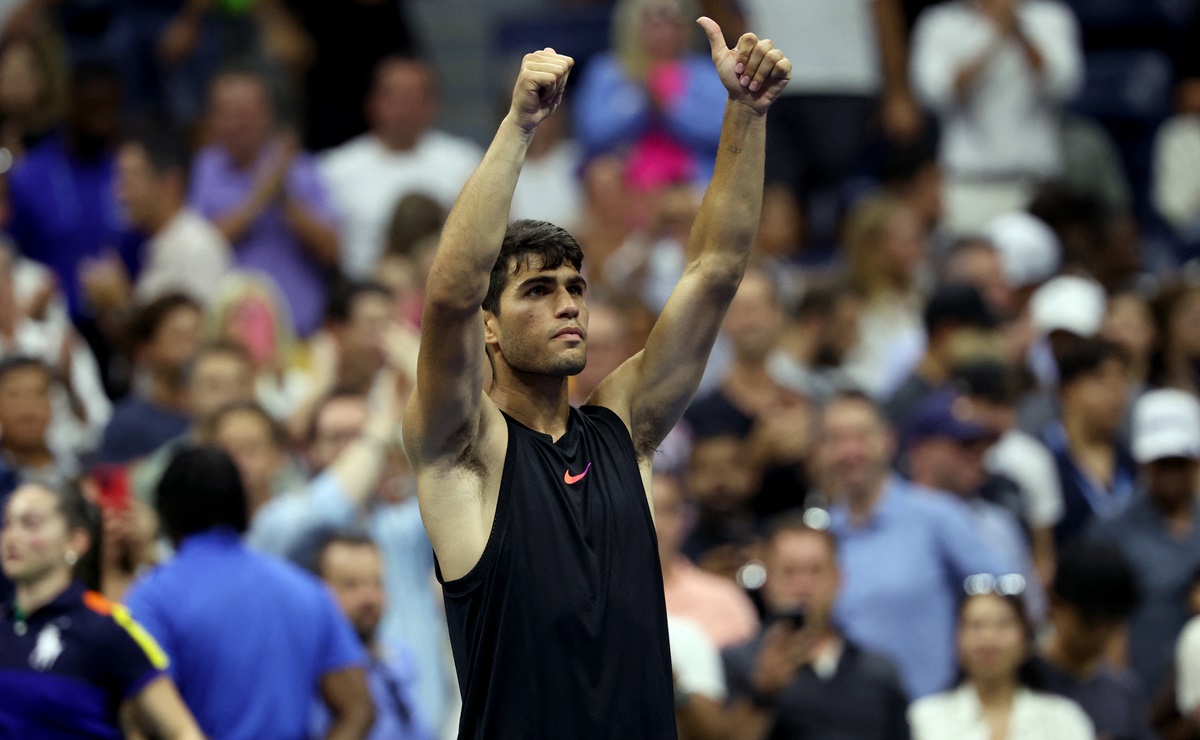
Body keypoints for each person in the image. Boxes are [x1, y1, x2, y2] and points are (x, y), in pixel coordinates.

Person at [402, 23, 791, 738]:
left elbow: (713, 274)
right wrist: (520, 125)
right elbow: (453, 290)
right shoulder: (465, 452)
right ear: (490, 327)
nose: (567, 304)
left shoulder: (625, 429)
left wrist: (747, 113)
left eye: (575, 288)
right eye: (537, 290)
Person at [124, 446, 374, 739]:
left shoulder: (152, 598)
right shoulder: (304, 589)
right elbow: (358, 710)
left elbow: (139, 718)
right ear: (243, 506)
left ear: (165, 513)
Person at [819, 391, 1013, 698]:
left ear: (888, 440)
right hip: (852, 719)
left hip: (931, 714)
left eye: (861, 436)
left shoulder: (937, 516)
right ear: (821, 451)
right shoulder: (824, 535)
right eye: (835, 439)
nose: (849, 451)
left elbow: (1005, 592)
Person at [0, 481, 203, 739]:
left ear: (76, 541)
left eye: (31, 523)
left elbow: (181, 729)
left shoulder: (105, 628)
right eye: (7, 523)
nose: (12, 536)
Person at [723, 515, 911, 739]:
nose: (803, 586)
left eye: (815, 571)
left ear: (839, 579)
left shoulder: (879, 673)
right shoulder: (737, 664)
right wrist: (762, 694)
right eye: (789, 571)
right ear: (767, 581)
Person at [188, 65, 340, 336]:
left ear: (268, 115)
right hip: (229, 334)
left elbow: (332, 251)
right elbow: (200, 247)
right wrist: (261, 195)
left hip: (302, 331)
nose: (238, 124)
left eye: (246, 114)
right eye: (228, 114)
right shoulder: (205, 168)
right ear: (212, 119)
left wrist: (284, 197)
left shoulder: (301, 168)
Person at [910, 0, 1083, 234]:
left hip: (1035, 182)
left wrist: (1019, 31)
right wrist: (995, 36)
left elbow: (1063, 85)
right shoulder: (941, 23)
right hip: (969, 184)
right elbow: (938, 92)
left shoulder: (1050, 17)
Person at [320, 56, 482, 279]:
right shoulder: (334, 170)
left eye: (415, 97)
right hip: (364, 294)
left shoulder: (466, 163)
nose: (406, 107)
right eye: (396, 97)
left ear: (433, 103)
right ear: (372, 102)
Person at [1090, 389, 1200, 696]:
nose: (1171, 473)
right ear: (1143, 462)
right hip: (1141, 696)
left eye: (1180, 462)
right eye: (1161, 462)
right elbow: (1104, 625)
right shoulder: (1112, 532)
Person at [909, 591, 1094, 739]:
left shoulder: (1062, 719)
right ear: (957, 639)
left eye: (1003, 624)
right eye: (976, 625)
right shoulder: (924, 719)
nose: (989, 638)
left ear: (1026, 640)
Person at [311, 532, 432, 740]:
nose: (370, 597)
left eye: (377, 583)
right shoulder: (313, 672)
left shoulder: (398, 658)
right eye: (351, 585)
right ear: (316, 590)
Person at [1032, 540, 1154, 740]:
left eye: (1112, 623)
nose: (1100, 635)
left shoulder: (1124, 692)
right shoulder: (1021, 682)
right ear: (1055, 603)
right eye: (1090, 621)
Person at [113, 128, 231, 306]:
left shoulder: (196, 249)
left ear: (170, 184)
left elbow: (196, 332)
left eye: (130, 181)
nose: (121, 195)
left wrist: (121, 304)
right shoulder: (154, 244)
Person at [98, 293, 203, 464]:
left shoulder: (223, 416)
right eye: (180, 338)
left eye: (199, 337)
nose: (193, 349)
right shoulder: (126, 426)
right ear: (146, 350)